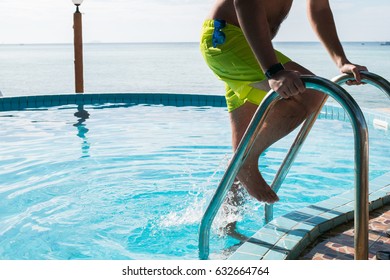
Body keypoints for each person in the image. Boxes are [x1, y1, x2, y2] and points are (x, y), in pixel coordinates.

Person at [200, 0, 368, 205]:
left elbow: (319, 8)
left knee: (244, 145)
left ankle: (226, 227)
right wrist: (273, 71)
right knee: (312, 91)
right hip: (228, 39)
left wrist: (341, 61)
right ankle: (244, 162)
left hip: (241, 45)